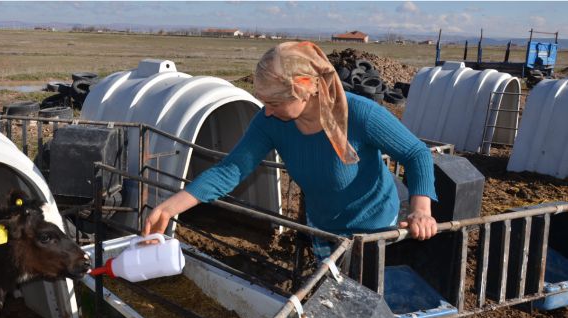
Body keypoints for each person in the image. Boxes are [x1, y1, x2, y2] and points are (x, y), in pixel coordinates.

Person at [143, 41, 437, 259]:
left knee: (367, 299)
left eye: (273, 103)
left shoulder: (359, 114)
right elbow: (231, 169)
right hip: (324, 227)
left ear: (304, 88)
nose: (266, 112)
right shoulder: (271, 123)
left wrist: (421, 210)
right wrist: (170, 207)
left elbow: (416, 154)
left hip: (375, 228)